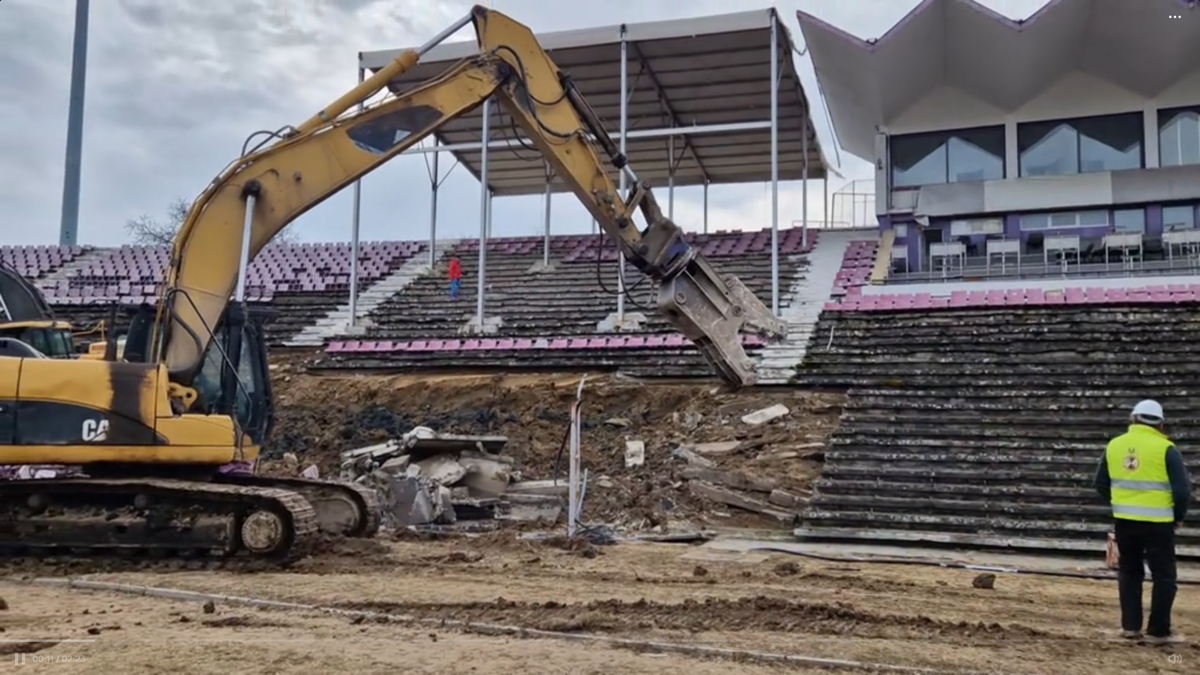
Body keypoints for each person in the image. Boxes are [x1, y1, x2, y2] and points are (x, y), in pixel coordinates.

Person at [1094, 399, 1191, 644]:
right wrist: (1177, 516)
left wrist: (1122, 501)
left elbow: (1101, 484)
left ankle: (1130, 628)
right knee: (1164, 576)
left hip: (1125, 521)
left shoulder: (1115, 445)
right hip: (1159, 523)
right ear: (1160, 423)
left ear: (1133, 418)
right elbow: (1182, 491)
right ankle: (1159, 632)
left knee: (1129, 572)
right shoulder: (1166, 448)